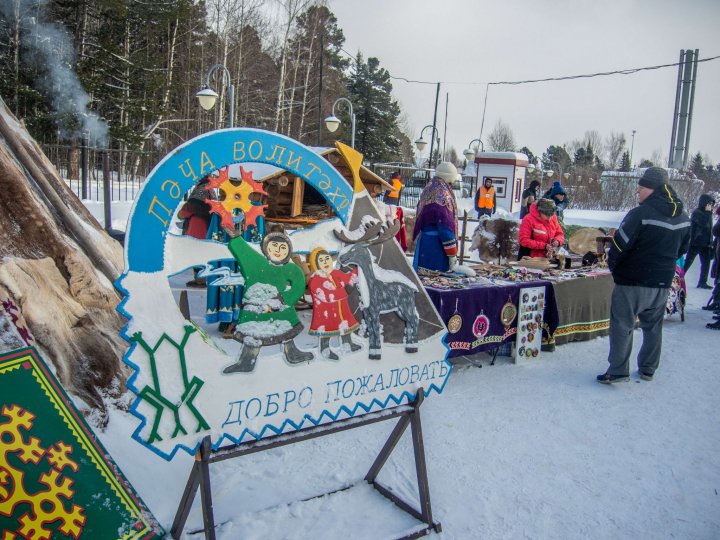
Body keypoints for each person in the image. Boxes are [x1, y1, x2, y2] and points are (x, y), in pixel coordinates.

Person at [597, 167, 690, 384]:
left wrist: (615, 268)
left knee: (622, 325)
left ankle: (619, 370)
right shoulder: (683, 217)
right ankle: (648, 368)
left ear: (652, 189)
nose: (637, 191)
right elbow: (683, 249)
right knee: (653, 326)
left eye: (641, 188)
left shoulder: (640, 214)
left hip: (633, 281)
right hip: (662, 282)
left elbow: (619, 245)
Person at [222, 231, 313, 373]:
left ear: (288, 251)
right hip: (255, 310)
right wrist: (235, 238)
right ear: (266, 248)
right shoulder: (257, 264)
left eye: (283, 248)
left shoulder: (290, 269)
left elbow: (299, 285)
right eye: (274, 246)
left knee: (286, 330)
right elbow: (244, 252)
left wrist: (283, 299)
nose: (278, 250)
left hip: (280, 308)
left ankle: (291, 353)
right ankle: (247, 361)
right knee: (253, 334)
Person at [307, 247, 362, 358]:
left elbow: (347, 278)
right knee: (326, 330)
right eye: (321, 260)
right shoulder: (315, 280)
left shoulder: (335, 273)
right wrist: (344, 291)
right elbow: (326, 295)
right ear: (315, 263)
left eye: (327, 258)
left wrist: (358, 268)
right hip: (326, 313)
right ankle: (325, 350)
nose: (325, 262)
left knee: (344, 326)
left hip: (341, 309)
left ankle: (347, 344)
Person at [412, 162, 459, 272]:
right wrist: (452, 254)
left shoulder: (429, 188)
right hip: (437, 248)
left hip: (425, 243)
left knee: (424, 280)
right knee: (436, 282)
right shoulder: (443, 195)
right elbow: (445, 227)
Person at [178, 177, 214, 287]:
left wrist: (180, 214)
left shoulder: (200, 190)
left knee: (195, 252)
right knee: (203, 253)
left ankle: (201, 280)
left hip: (197, 227)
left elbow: (189, 208)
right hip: (208, 226)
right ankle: (203, 278)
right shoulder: (211, 190)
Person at [684, 193, 716, 289]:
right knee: (688, 261)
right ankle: (679, 277)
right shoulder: (697, 213)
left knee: (706, 264)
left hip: (706, 243)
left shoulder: (708, 214)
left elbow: (709, 229)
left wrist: (710, 242)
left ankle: (703, 282)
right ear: (704, 203)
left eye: (711, 204)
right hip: (696, 242)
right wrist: (707, 213)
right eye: (709, 203)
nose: (710, 206)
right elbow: (702, 224)